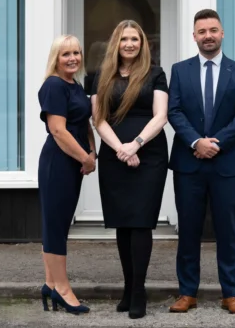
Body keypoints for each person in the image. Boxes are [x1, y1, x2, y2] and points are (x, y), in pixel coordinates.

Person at [167, 9, 235, 315]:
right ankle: (186, 292)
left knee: (227, 231)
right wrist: (196, 142)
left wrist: (215, 143)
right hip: (189, 163)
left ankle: (230, 293)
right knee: (188, 230)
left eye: (213, 30)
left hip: (227, 163)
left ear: (222, 33)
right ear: (194, 36)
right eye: (202, 31)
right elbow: (174, 111)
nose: (208, 36)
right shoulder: (179, 71)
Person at [91, 20, 169, 320]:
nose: (129, 44)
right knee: (123, 223)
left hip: (149, 155)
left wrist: (134, 145)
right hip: (114, 156)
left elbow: (161, 116)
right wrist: (120, 150)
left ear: (142, 43)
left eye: (135, 39)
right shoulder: (100, 76)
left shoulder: (156, 74)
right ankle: (127, 287)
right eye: (124, 39)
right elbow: (98, 120)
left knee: (140, 222)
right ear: (116, 43)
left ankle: (139, 291)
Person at [38, 35, 97, 315]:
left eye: (76, 52)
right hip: (58, 163)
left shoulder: (76, 85)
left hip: (74, 162)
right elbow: (58, 130)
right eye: (66, 54)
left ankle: (50, 284)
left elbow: (83, 123)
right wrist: (84, 157)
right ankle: (62, 289)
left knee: (59, 224)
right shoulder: (53, 85)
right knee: (56, 226)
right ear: (56, 58)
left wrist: (92, 151)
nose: (72, 58)